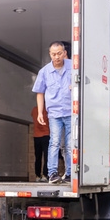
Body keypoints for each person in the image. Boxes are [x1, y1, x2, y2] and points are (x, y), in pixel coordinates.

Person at [32, 41, 72, 184]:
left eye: (59, 53)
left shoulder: (74, 67)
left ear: (64, 53)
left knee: (70, 144)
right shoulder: (44, 72)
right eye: (54, 54)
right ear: (50, 54)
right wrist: (40, 113)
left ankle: (70, 173)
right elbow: (40, 93)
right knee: (54, 142)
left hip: (71, 112)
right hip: (54, 114)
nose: (57, 57)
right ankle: (52, 173)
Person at [31, 105, 49, 182]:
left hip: (36, 136)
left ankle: (37, 175)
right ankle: (45, 175)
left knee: (38, 157)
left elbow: (33, 117)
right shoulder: (47, 110)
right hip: (46, 135)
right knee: (47, 157)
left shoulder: (34, 109)